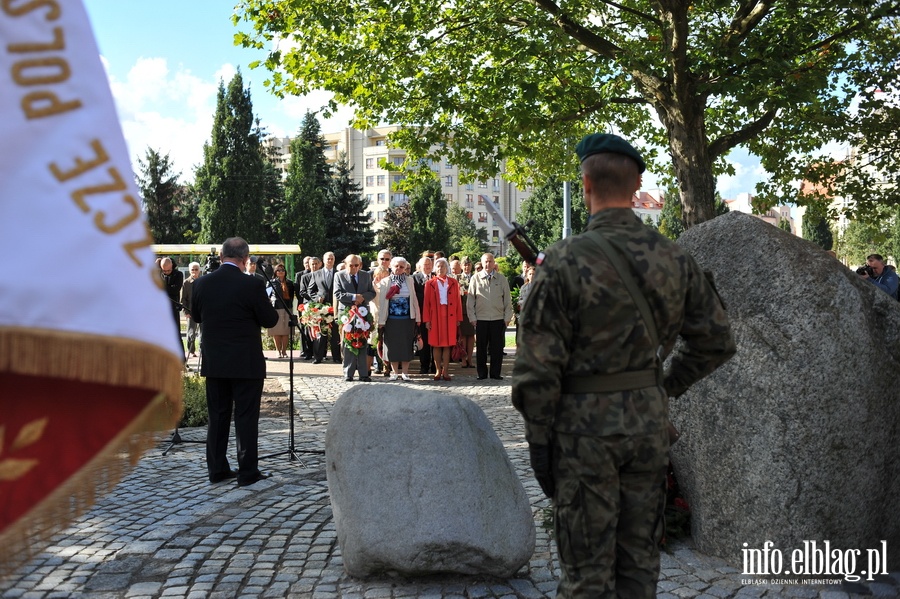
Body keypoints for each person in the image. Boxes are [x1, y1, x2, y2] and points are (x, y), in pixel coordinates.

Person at [512, 133, 736, 598]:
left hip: (582, 435)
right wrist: (664, 387)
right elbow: (715, 341)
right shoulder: (674, 257)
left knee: (587, 577)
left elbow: (536, 375)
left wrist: (540, 445)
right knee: (639, 568)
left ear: (586, 182)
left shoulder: (562, 261)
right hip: (648, 428)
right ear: (636, 187)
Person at [191, 237, 279, 488]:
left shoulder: (202, 283)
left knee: (217, 417)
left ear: (221, 256)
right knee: (245, 417)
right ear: (245, 259)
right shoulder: (252, 284)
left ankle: (217, 469)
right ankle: (247, 472)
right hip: (245, 363)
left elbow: (196, 316)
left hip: (215, 362)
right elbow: (270, 320)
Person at [467, 253, 512, 380]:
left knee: (497, 349)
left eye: (490, 261)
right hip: (481, 319)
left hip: (498, 319)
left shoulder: (502, 279)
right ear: (482, 263)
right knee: (481, 348)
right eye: (486, 261)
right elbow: (470, 300)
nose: (488, 264)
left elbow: (508, 300)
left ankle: (495, 373)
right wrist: (472, 317)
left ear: (494, 263)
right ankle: (481, 373)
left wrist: (507, 317)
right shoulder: (475, 279)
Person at [377, 257, 420, 381]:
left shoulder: (410, 280)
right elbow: (382, 302)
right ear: (391, 266)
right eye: (396, 266)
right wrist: (381, 321)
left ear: (405, 268)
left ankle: (405, 372)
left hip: (407, 318)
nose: (398, 269)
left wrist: (418, 316)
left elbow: (414, 299)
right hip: (391, 319)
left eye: (402, 267)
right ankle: (395, 372)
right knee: (392, 345)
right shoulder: (385, 281)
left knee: (406, 345)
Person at [334, 254, 376, 381]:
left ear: (360, 265)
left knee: (362, 342)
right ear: (346, 265)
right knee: (348, 343)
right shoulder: (339, 275)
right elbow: (337, 293)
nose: (353, 267)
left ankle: (364, 373)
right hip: (347, 313)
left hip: (362, 313)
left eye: (356, 265)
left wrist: (361, 298)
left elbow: (372, 292)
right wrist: (354, 297)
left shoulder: (365, 275)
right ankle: (348, 373)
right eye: (350, 265)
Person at [422, 258, 463, 381]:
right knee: (436, 345)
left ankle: (446, 370)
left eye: (443, 267)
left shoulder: (454, 282)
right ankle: (437, 370)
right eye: (438, 266)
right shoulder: (430, 283)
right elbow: (426, 303)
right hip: (435, 317)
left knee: (447, 345)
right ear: (435, 268)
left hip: (450, 316)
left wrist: (458, 317)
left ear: (447, 268)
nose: (440, 269)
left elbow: (458, 301)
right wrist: (427, 320)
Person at [308, 251, 341, 363]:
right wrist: (317, 298)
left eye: (332, 259)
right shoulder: (317, 273)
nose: (330, 261)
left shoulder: (338, 273)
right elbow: (310, 290)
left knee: (335, 334)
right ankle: (318, 357)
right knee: (321, 333)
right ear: (323, 260)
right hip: (321, 308)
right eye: (328, 259)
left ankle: (336, 357)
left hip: (335, 307)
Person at [412, 254, 435, 374]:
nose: (427, 267)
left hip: (435, 316)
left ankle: (435, 366)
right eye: (425, 265)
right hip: (421, 315)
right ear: (420, 267)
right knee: (424, 341)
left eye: (429, 264)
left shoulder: (436, 277)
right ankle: (424, 365)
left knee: (435, 341)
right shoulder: (414, 279)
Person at [267, 262, 295, 358]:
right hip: (276, 308)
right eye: (278, 270)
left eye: (282, 270)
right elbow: (267, 295)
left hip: (287, 308)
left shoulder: (290, 283)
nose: (281, 272)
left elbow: (291, 296)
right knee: (277, 331)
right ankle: (278, 351)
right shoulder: (271, 282)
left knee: (286, 331)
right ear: (275, 272)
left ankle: (284, 351)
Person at [368, 265, 391, 375]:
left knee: (386, 343)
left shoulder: (390, 286)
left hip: (387, 317)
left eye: (384, 276)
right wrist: (374, 285)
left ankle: (387, 367)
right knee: (372, 342)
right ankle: (369, 368)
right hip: (374, 316)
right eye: (379, 276)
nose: (381, 278)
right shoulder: (371, 286)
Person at [295, 256, 319, 360]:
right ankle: (308, 352)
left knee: (320, 329)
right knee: (307, 330)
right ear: (308, 265)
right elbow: (302, 292)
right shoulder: (304, 277)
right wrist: (314, 299)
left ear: (319, 264)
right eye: (312, 264)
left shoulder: (321, 275)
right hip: (308, 306)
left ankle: (319, 353)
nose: (314, 266)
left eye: (315, 264)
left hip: (320, 306)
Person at [457, 258, 476, 368]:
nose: (467, 267)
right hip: (462, 310)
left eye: (468, 265)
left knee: (471, 336)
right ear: (461, 266)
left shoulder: (475, 277)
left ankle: (470, 358)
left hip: (473, 310)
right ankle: (463, 359)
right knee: (463, 336)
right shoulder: (458, 278)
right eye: (465, 265)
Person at [181, 261, 201, 359]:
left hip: (202, 311)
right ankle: (191, 351)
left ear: (199, 270)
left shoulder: (203, 281)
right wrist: (186, 312)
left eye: (196, 269)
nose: (194, 271)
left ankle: (202, 351)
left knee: (203, 332)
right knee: (191, 332)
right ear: (189, 271)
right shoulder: (186, 282)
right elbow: (183, 299)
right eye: (192, 269)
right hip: (191, 311)